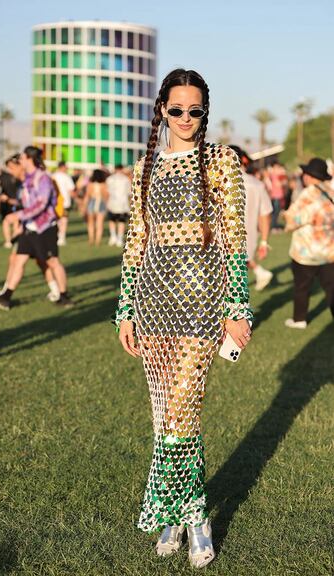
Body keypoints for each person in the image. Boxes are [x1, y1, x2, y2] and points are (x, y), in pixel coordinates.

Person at [113, 69, 252, 568]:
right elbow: (135, 242)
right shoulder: (143, 166)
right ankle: (176, 512)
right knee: (165, 420)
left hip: (201, 306)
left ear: (204, 113)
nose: (187, 118)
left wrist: (238, 307)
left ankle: (195, 519)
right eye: (178, 110)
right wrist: (125, 309)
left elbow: (235, 239)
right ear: (162, 111)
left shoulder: (219, 160)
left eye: (196, 110)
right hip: (153, 305)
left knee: (182, 414)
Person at [0, 146, 73, 311]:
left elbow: (41, 203)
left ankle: (64, 295)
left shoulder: (43, 178)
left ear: (30, 158)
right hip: (29, 227)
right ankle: (6, 296)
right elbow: (28, 203)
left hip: (45, 227)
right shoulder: (27, 179)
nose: (20, 160)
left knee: (53, 262)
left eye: (23, 157)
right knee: (18, 260)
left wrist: (18, 216)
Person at [283, 157, 334, 329]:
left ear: (310, 176)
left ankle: (299, 319)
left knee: (302, 287)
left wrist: (288, 220)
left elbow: (293, 218)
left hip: (306, 251)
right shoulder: (331, 191)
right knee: (331, 289)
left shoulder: (308, 193)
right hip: (329, 250)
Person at [230, 146, 273, 291]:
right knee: (236, 290)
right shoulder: (257, 184)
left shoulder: (217, 183)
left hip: (222, 244)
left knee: (228, 292)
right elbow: (265, 215)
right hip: (247, 242)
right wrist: (264, 242)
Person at [0, 156, 22, 248]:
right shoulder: (4, 177)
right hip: (8, 203)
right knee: (9, 221)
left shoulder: (18, 177)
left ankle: (11, 240)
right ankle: (11, 240)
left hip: (15, 203)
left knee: (13, 222)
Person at [106, 164, 131, 247]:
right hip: (122, 204)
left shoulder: (110, 179)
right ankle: (119, 239)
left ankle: (113, 236)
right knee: (121, 221)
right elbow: (129, 193)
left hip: (112, 202)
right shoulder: (126, 180)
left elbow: (107, 192)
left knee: (112, 220)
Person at [52, 161, 75, 246]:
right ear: (62, 167)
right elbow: (71, 190)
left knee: (56, 219)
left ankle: (57, 236)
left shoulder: (53, 176)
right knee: (64, 220)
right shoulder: (66, 177)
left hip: (55, 201)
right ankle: (61, 237)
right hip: (65, 202)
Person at [83, 169, 108, 246]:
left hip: (92, 202)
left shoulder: (90, 184)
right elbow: (105, 195)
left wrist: (84, 206)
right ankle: (98, 240)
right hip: (101, 202)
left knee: (90, 223)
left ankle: (91, 239)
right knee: (99, 223)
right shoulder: (104, 184)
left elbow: (87, 196)